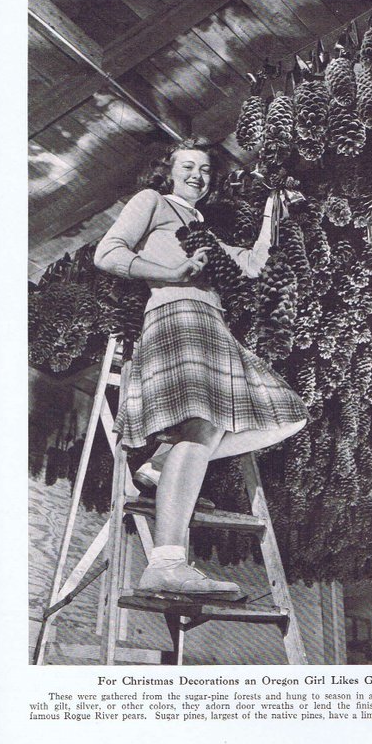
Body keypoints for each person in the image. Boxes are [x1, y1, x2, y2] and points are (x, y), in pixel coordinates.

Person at [94, 140, 308, 597]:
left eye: (205, 169)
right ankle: (167, 563)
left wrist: (272, 210)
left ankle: (162, 463)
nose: (197, 174)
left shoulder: (201, 228)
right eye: (187, 166)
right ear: (167, 171)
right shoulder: (152, 202)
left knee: (287, 416)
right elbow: (107, 252)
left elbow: (252, 264)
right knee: (202, 427)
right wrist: (170, 274)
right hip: (177, 314)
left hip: (211, 325)